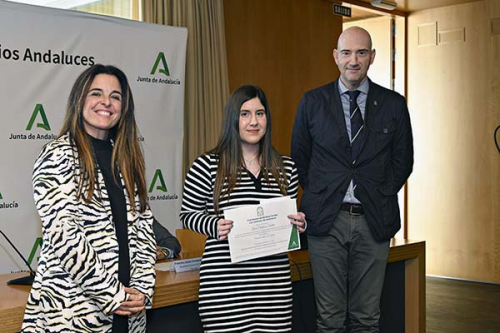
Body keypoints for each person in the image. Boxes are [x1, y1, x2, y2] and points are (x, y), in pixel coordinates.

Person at [291, 27, 413, 332]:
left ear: (372, 57)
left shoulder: (393, 105)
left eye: (361, 53)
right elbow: (300, 160)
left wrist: (379, 193)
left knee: (367, 317)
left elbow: (403, 161)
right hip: (326, 222)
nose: (353, 60)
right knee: (329, 318)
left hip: (374, 220)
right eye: (346, 53)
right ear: (336, 57)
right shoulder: (312, 102)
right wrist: (324, 192)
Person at [22, 65, 156, 332]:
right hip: (72, 313)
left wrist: (142, 290)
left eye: (116, 96)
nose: (106, 102)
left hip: (129, 315)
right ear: (79, 100)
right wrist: (112, 295)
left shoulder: (126, 160)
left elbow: (144, 232)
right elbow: (64, 235)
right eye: (96, 93)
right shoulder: (57, 155)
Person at [180, 85, 306, 332]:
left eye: (260, 113)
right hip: (225, 290)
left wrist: (299, 224)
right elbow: (187, 215)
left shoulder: (287, 167)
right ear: (233, 119)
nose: (253, 122)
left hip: (274, 289)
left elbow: (288, 221)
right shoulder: (207, 165)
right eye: (245, 114)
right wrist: (214, 225)